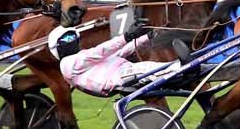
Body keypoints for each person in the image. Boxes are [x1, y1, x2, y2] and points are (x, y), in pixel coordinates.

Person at [48, 21, 188, 96]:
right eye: (67, 38)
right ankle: (184, 69)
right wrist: (126, 36)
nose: (71, 40)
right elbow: (100, 51)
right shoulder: (66, 64)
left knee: (150, 67)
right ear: (58, 48)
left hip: (121, 71)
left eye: (73, 36)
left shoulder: (82, 60)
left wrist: (148, 36)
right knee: (147, 68)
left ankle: (190, 66)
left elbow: (121, 52)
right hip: (116, 79)